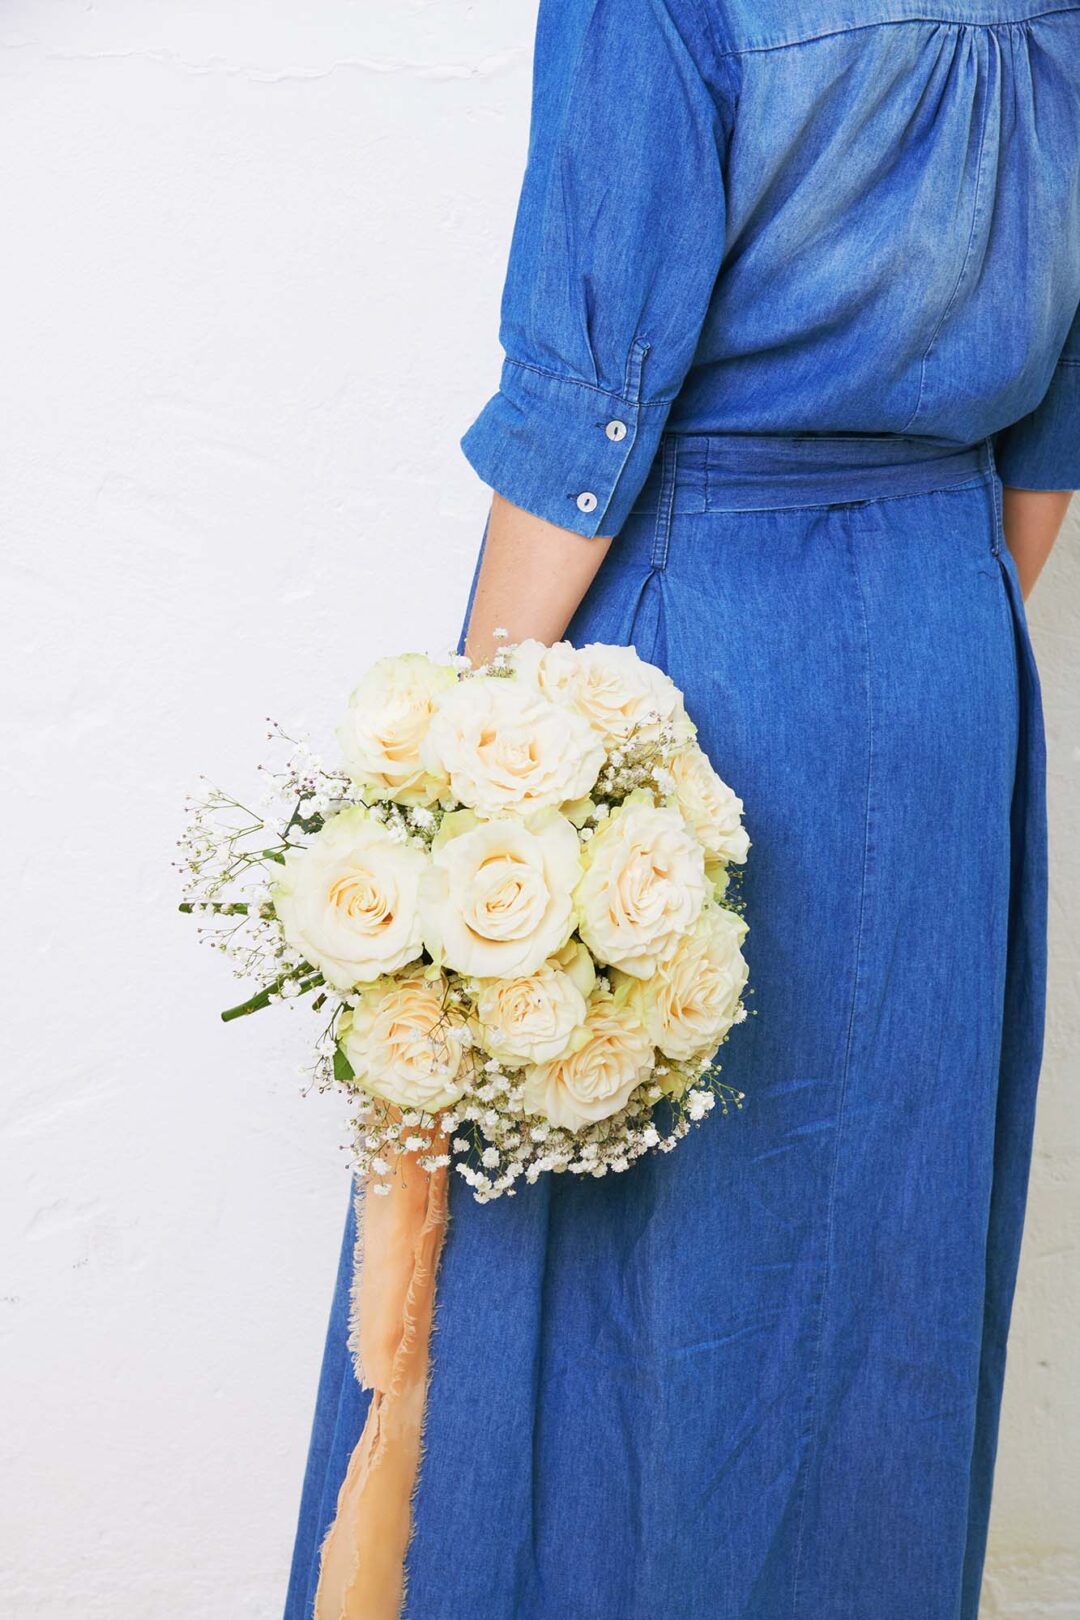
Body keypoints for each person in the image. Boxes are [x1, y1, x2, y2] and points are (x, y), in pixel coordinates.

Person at [284, 3, 1079, 1616]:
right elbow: (1050, 446)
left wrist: (458, 765)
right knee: (877, 1264)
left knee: (575, 1249)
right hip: (947, 656)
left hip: (691, 636)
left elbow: (589, 401)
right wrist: (920, 632)